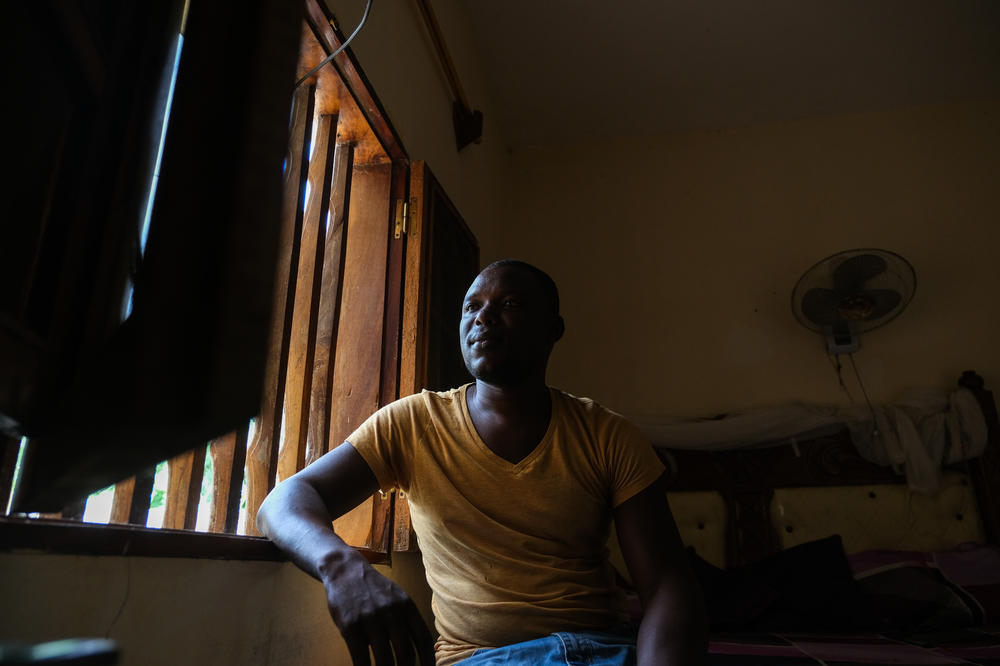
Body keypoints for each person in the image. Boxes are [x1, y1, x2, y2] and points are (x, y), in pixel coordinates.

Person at [257, 259, 707, 665]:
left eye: (509, 303)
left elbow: (667, 587)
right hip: (483, 660)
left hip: (601, 649)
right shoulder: (413, 424)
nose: (483, 317)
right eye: (472, 306)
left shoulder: (607, 435)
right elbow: (284, 502)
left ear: (554, 329)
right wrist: (343, 568)